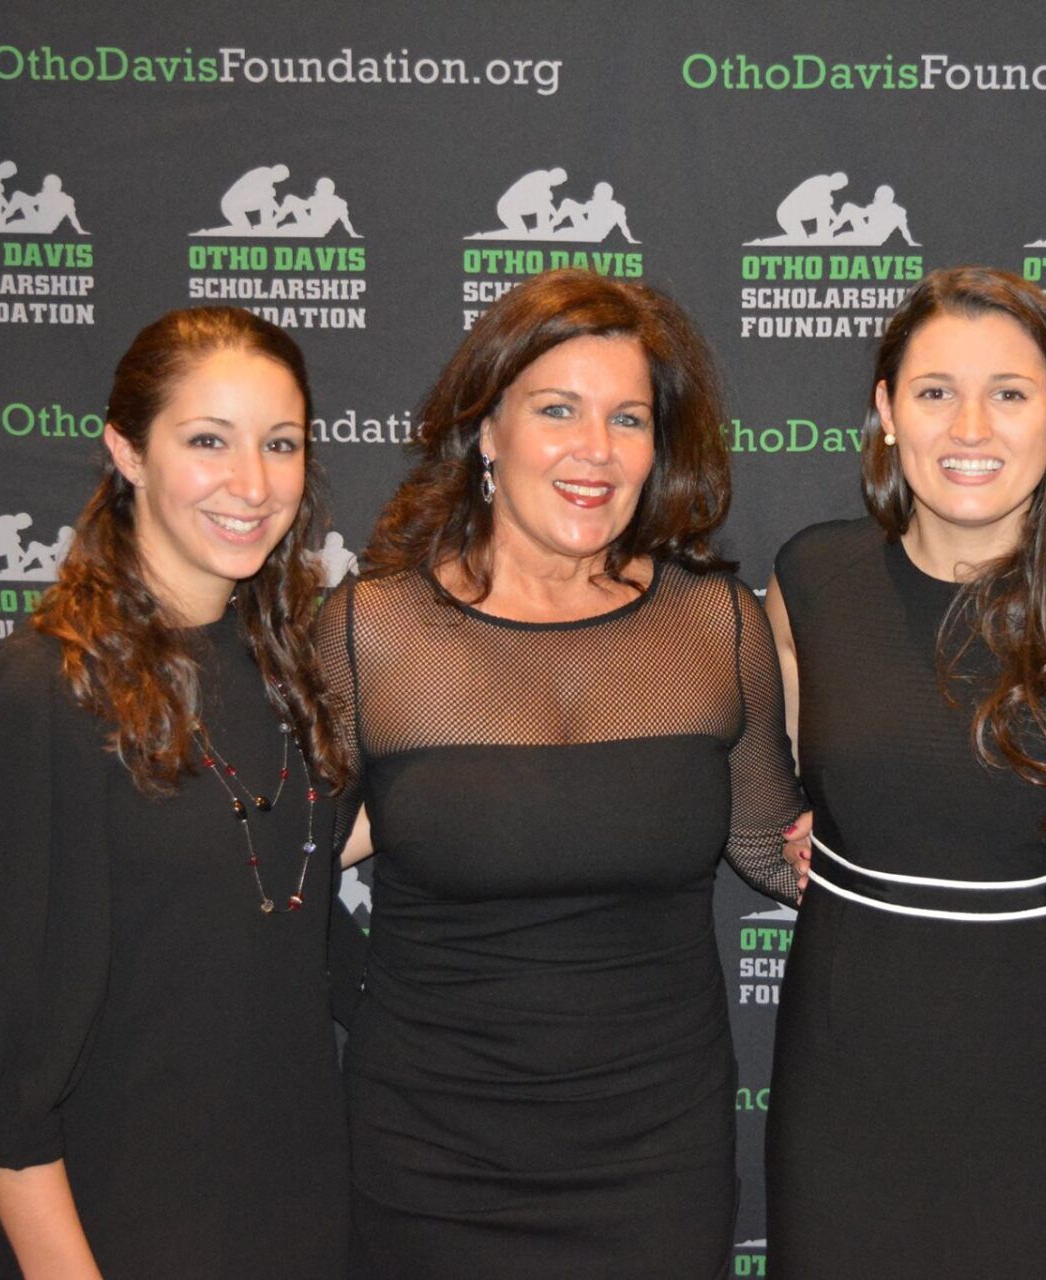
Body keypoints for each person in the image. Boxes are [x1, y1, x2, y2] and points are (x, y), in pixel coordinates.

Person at [320, 268, 802, 1278]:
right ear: (485, 429)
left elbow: (772, 851)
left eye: (628, 418)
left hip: (655, 1157)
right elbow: (279, 869)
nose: (597, 449)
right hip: (428, 1155)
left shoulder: (713, 626)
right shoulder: (376, 631)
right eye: (557, 410)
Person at [0, 307, 351, 1279]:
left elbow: (282, 841)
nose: (253, 483)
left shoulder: (286, 668)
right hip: (127, 1223)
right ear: (127, 451)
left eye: (280, 443)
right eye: (209, 441)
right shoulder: (38, 696)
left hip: (299, 1210)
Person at [764, 266, 1046, 1278]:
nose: (970, 426)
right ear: (886, 410)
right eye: (936, 390)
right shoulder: (811, 579)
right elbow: (774, 784)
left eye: (1010, 393)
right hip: (846, 1066)